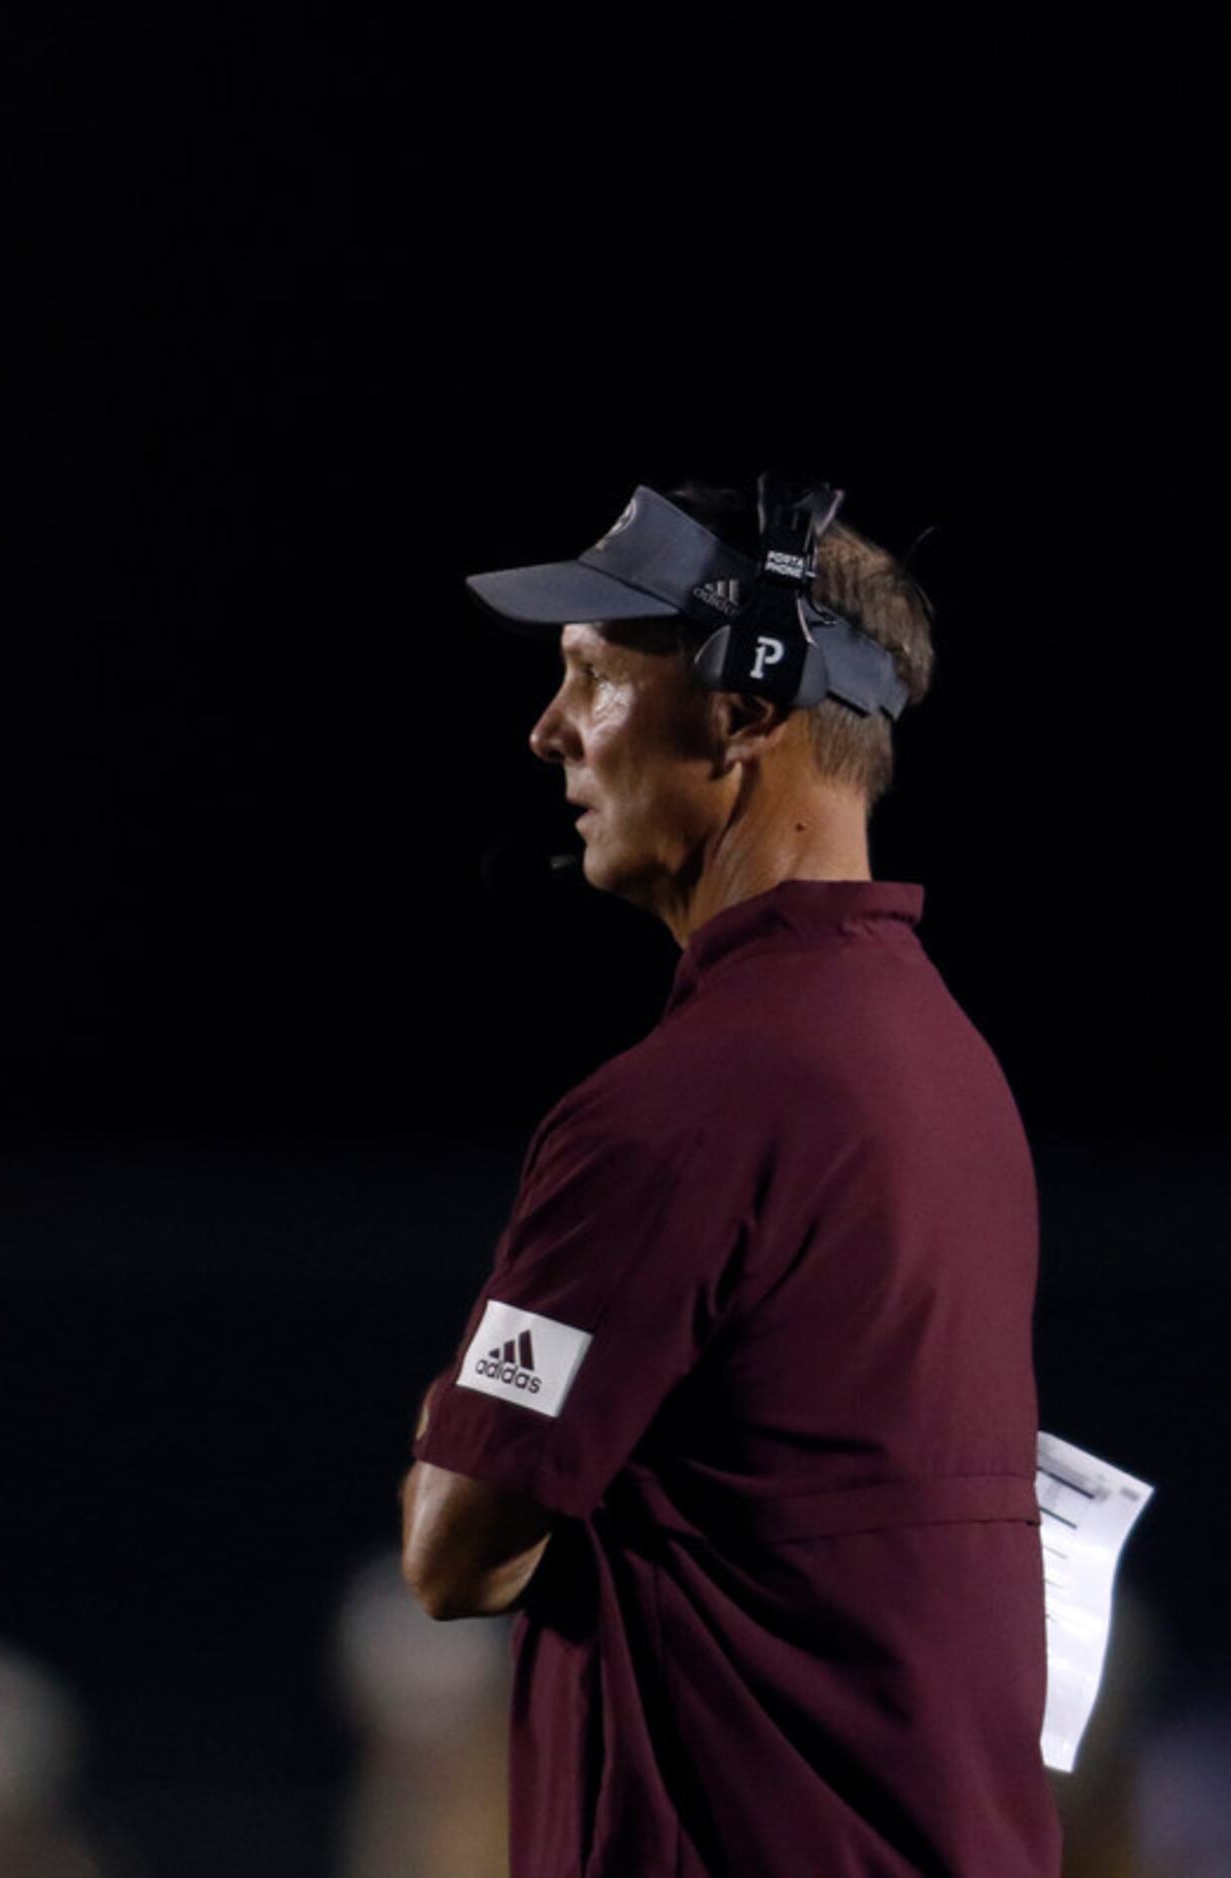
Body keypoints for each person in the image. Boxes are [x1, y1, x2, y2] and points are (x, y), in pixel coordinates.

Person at [399, 480, 1060, 1875]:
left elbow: (454, 1539)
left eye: (590, 676)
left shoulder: (680, 1106)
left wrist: (469, 1393)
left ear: (747, 708)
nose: (547, 732)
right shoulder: (951, 1067)